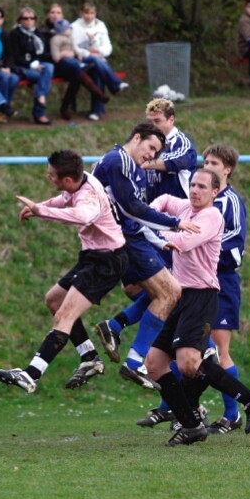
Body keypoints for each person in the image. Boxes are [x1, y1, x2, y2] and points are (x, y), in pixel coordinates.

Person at [142, 169, 250, 445]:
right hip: (180, 295)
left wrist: (150, 228)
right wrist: (150, 213)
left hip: (202, 295)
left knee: (188, 362)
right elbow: (165, 199)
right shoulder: (184, 209)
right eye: (193, 185)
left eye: (202, 186)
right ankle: (191, 425)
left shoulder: (212, 216)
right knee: (154, 363)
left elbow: (181, 243)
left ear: (214, 192)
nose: (195, 190)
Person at [0, 150, 128, 392]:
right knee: (54, 300)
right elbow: (64, 198)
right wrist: (41, 207)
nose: (48, 177)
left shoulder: (88, 198)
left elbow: (82, 215)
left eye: (51, 175)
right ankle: (89, 358)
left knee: (64, 316)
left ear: (67, 179)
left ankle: (31, 374)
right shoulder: (80, 180)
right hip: (92, 257)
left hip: (106, 262)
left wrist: (41, 211)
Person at [93, 100, 196, 386]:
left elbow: (178, 163)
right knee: (170, 293)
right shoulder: (121, 162)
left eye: (158, 121)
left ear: (171, 120)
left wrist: (161, 239)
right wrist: (171, 225)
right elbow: (132, 209)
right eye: (150, 147)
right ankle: (133, 358)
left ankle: (116, 330)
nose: (151, 155)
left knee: (159, 292)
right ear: (137, 136)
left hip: (147, 230)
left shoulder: (167, 150)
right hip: (139, 231)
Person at [71, 2, 129, 120]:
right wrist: (88, 53)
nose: (89, 16)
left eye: (91, 13)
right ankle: (116, 84)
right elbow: (73, 47)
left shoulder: (101, 26)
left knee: (98, 70)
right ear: (81, 13)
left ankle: (96, 111)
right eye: (86, 13)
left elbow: (108, 47)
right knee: (95, 60)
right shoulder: (74, 27)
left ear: (95, 14)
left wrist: (100, 51)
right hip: (82, 60)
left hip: (99, 59)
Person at [48, 18, 109, 121]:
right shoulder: (55, 39)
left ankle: (65, 107)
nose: (70, 30)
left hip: (73, 67)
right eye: (68, 28)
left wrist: (78, 54)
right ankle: (98, 94)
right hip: (61, 67)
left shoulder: (69, 39)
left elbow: (75, 50)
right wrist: (64, 54)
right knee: (76, 69)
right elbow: (56, 57)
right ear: (63, 30)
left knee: (77, 76)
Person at [8, 7, 55, 125]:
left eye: (32, 18)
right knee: (44, 77)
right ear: (20, 20)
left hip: (37, 64)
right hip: (22, 67)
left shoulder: (37, 33)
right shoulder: (15, 34)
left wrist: (37, 63)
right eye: (25, 18)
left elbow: (42, 53)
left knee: (49, 67)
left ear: (35, 20)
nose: (29, 20)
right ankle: (40, 113)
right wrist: (32, 65)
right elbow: (15, 56)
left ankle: (40, 96)